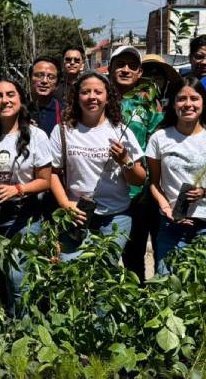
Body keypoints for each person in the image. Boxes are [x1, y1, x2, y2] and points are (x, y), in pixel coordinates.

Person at [0, 77, 54, 316]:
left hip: (22, 216)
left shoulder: (37, 137)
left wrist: (16, 190)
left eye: (10, 95)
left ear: (20, 100)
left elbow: (44, 181)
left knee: (19, 280)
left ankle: (22, 334)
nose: (4, 100)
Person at [49, 71, 147, 259]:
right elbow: (53, 172)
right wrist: (64, 203)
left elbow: (139, 180)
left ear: (108, 97)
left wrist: (125, 160)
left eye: (98, 92)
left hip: (115, 216)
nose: (92, 97)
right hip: (77, 215)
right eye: (85, 92)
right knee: (72, 273)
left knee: (104, 276)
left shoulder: (121, 131)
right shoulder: (63, 131)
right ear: (77, 97)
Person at [146, 82, 206, 275]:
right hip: (172, 223)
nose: (188, 104)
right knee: (167, 284)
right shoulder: (159, 138)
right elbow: (154, 183)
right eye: (181, 99)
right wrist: (165, 208)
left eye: (194, 98)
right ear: (173, 104)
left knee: (203, 287)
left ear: (203, 103)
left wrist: (205, 192)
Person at [111, 45, 166, 280]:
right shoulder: (100, 98)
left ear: (139, 73)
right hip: (108, 189)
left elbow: (159, 142)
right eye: (120, 64)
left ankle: (139, 301)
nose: (125, 69)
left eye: (132, 66)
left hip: (140, 190)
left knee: (136, 253)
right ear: (110, 68)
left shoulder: (148, 103)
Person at [26, 56, 63, 137]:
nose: (44, 81)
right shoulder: (18, 109)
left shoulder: (65, 113)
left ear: (57, 84)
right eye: (39, 75)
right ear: (30, 79)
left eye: (51, 77)